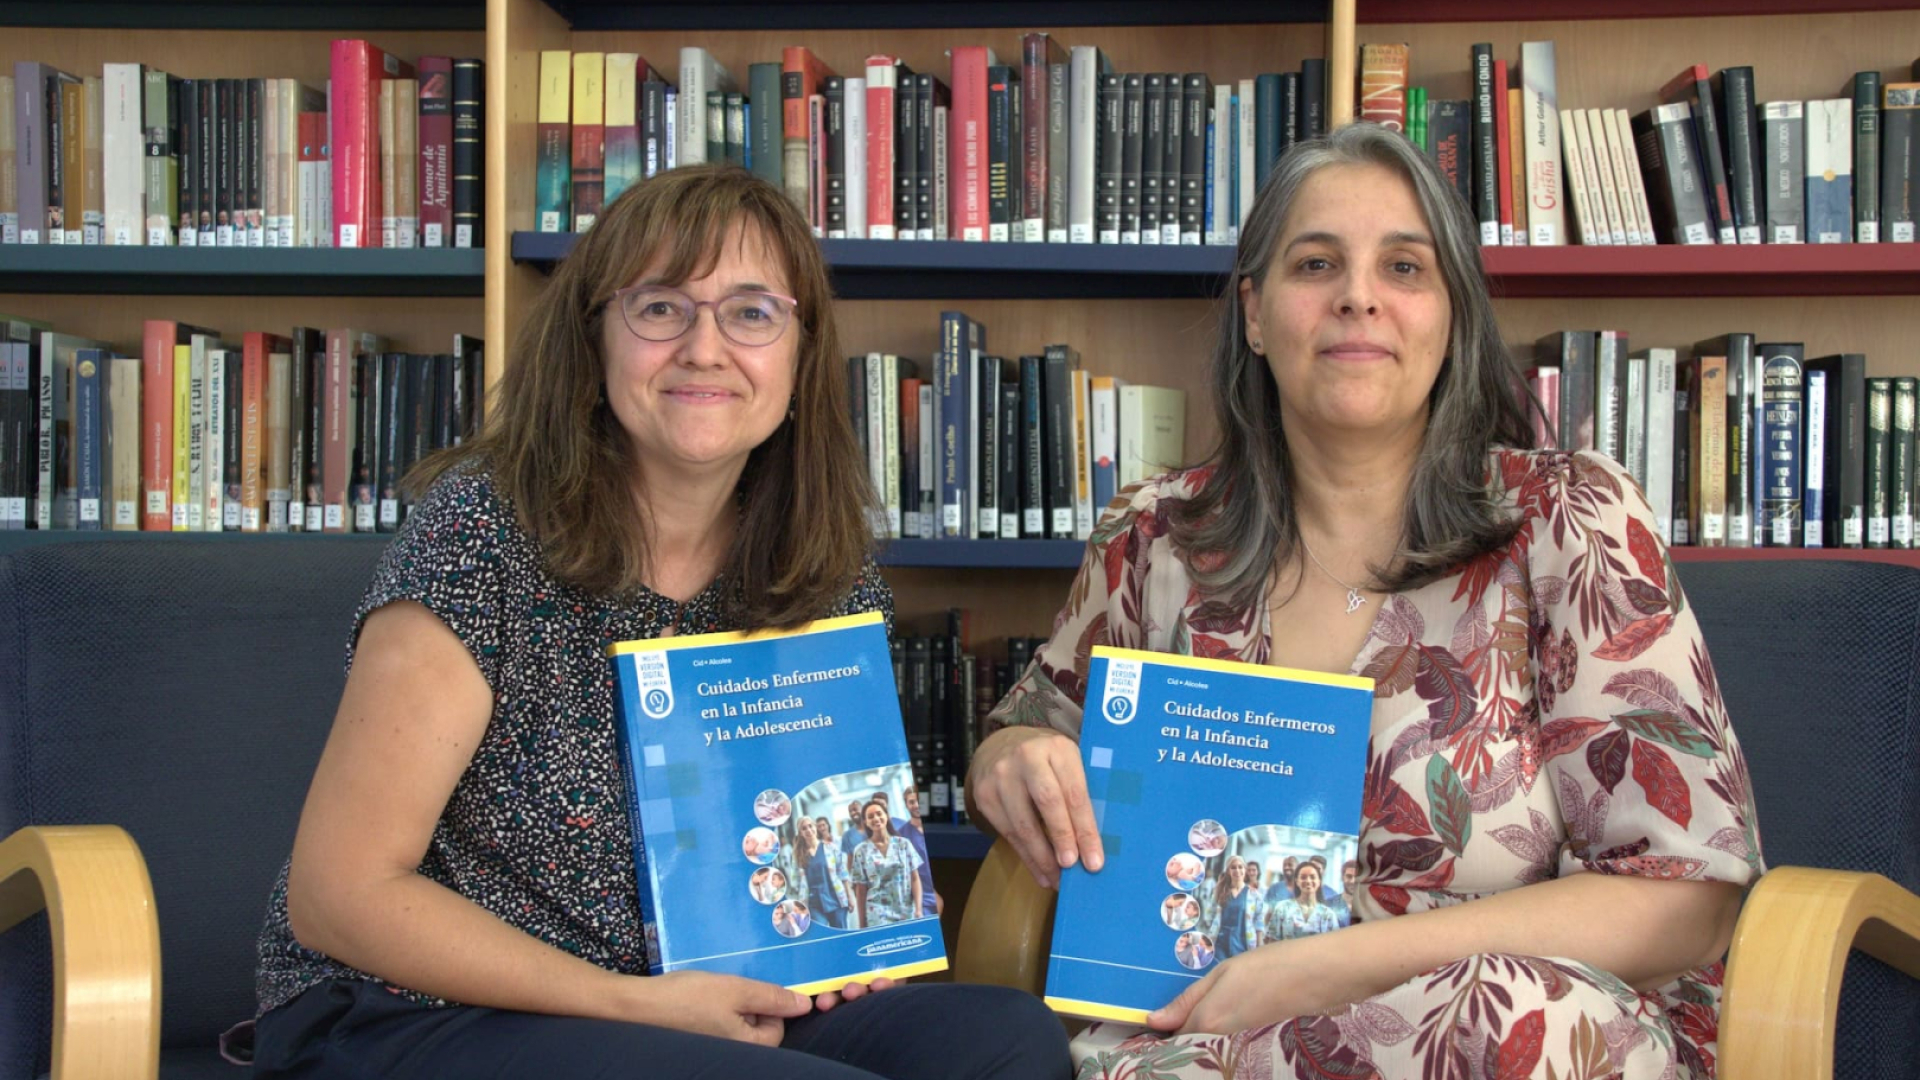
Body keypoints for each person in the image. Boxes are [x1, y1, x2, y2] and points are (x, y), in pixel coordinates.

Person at [965, 124, 1761, 1080]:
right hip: (1207, 1036)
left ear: (1452, 316)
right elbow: (1029, 730)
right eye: (1315, 263)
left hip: (1503, 1032)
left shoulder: (1568, 520)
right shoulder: (1157, 535)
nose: (1358, 295)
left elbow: (1686, 894)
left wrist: (1320, 971)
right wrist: (1010, 762)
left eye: (1404, 266)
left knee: (1516, 1016)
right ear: (1255, 315)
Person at [251, 164, 1067, 1080]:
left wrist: (846, 943)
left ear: (798, 357)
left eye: (751, 313)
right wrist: (636, 1006)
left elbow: (807, 841)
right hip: (422, 1013)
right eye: (661, 308)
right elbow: (340, 896)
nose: (705, 348)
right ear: (594, 339)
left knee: (1008, 1046)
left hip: (690, 1004)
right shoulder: (483, 532)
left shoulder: (823, 571)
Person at [849, 799, 925, 929]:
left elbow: (915, 879)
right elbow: (860, 890)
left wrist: (919, 909)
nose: (876, 818)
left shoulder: (904, 844)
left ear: (886, 816)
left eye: (879, 813)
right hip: (877, 913)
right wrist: (861, 924)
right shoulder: (861, 850)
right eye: (870, 816)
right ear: (866, 822)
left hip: (906, 910)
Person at [1264, 862, 1343, 942]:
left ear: (1319, 881)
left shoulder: (1328, 915)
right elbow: (1272, 941)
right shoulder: (1282, 908)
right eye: (1303, 877)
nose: (1308, 881)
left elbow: (1334, 945)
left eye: (1312, 877)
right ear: (1297, 881)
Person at [795, 816, 849, 929]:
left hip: (836, 900)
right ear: (800, 833)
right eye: (804, 828)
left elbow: (842, 872)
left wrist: (850, 897)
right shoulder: (798, 856)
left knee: (841, 936)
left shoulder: (831, 848)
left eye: (810, 826)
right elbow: (796, 882)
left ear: (815, 827)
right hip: (814, 905)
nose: (809, 830)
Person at [895, 787, 941, 916]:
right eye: (911, 802)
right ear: (906, 805)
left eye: (919, 801)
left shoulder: (939, 829)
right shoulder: (902, 836)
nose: (916, 805)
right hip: (924, 899)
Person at [1209, 856, 1262, 960]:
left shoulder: (1255, 895)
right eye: (1233, 867)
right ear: (1228, 871)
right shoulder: (1219, 892)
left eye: (1240, 867)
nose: (1237, 870)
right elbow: (1209, 915)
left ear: (1245, 870)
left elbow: (1259, 922)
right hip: (1220, 943)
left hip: (1243, 944)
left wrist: (1259, 946)